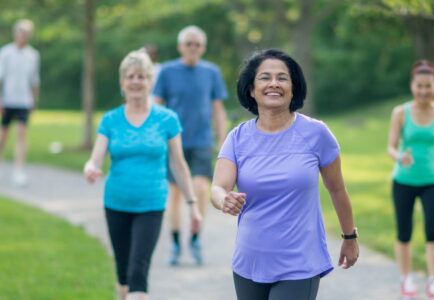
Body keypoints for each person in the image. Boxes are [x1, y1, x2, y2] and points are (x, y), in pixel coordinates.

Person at [211, 49, 359, 300]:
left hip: (300, 262)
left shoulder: (316, 133)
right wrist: (223, 199)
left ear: (293, 88)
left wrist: (349, 236)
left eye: (282, 78)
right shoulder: (238, 138)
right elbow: (217, 187)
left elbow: (336, 189)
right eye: (265, 77)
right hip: (249, 262)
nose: (274, 84)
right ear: (251, 89)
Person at [84, 51, 202, 300]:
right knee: (123, 275)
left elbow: (179, 164)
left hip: (151, 204)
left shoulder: (167, 119)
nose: (136, 81)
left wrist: (193, 205)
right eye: (130, 77)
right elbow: (96, 157)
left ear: (150, 81)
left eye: (142, 76)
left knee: (139, 271)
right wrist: (91, 167)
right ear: (122, 82)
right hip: (116, 203)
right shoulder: (110, 119)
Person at [153, 25, 228, 265]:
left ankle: (195, 236)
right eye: (188, 44)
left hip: (201, 141)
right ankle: (175, 243)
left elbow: (218, 109)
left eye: (197, 44)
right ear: (180, 47)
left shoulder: (211, 72)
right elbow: (157, 106)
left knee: (200, 189)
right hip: (173, 142)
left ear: (203, 48)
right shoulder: (167, 71)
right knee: (175, 194)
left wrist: (223, 140)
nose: (193, 48)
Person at [387, 60, 434, 300]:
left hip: (432, 181)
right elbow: (391, 146)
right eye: (420, 86)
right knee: (404, 232)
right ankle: (406, 279)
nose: (424, 91)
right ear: (412, 86)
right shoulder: (400, 113)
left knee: (433, 233)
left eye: (428, 86)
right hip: (403, 181)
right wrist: (399, 156)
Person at [0, 19, 40, 186]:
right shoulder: (6, 53)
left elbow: (34, 80)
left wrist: (34, 101)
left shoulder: (33, 55)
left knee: (22, 135)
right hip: (7, 99)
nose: (23, 35)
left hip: (24, 101)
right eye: (20, 31)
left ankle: (18, 170)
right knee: (3, 135)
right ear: (15, 33)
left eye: (26, 32)